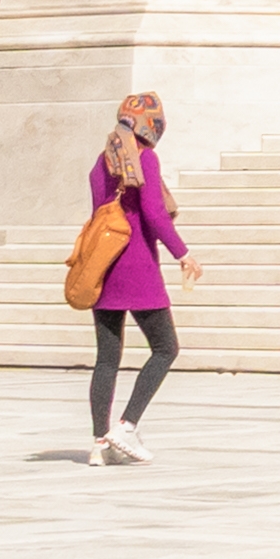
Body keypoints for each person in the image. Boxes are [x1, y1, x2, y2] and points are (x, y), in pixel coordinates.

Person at [83, 89, 191, 461]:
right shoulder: (145, 158)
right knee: (165, 348)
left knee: (107, 358)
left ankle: (99, 444)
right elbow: (153, 213)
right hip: (138, 264)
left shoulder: (103, 161)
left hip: (103, 264)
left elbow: (102, 209)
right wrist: (183, 253)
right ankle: (127, 426)